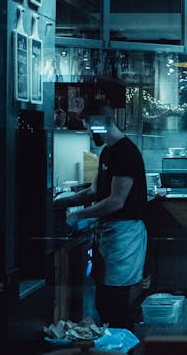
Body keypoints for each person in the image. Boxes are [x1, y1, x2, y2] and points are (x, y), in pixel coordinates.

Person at [54, 101, 148, 332]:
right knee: (104, 301)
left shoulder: (125, 153)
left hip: (124, 235)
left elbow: (116, 201)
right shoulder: (107, 151)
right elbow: (95, 191)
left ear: (99, 123)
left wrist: (76, 217)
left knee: (118, 303)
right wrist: (60, 202)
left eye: (88, 126)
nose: (87, 131)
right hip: (109, 235)